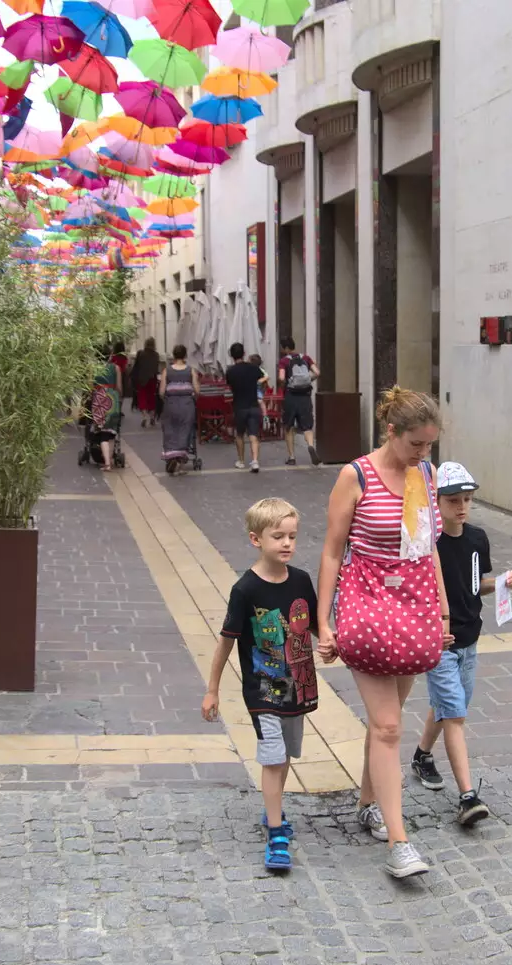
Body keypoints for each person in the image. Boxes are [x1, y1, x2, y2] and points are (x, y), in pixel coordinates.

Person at [315, 387, 451, 880]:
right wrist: (323, 620)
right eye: (416, 444)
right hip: (368, 605)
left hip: (414, 606)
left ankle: (369, 803)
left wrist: (443, 612)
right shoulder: (355, 475)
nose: (423, 454)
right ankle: (400, 843)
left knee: (383, 723)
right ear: (391, 431)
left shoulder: (427, 475)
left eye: (429, 446)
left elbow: (428, 548)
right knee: (390, 725)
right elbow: (332, 550)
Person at [203, 498, 320, 872]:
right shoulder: (245, 590)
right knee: (273, 758)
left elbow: (315, 623)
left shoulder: (301, 580)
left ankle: (274, 809)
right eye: (278, 536)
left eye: (292, 536)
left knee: (284, 756)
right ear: (256, 539)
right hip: (264, 691)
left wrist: (332, 641)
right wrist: (212, 689)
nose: (287, 543)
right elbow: (226, 640)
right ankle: (276, 832)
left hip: (298, 685)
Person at [409, 462, 512, 826]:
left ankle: (422, 755)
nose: (462, 506)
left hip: (471, 639)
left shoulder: (477, 539)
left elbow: (477, 584)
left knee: (447, 704)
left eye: (467, 499)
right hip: (440, 642)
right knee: (455, 713)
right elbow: (418, 593)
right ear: (436, 501)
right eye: (454, 499)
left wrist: (501, 582)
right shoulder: (429, 544)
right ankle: (468, 796)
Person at [277, 338, 321, 466]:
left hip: (291, 397)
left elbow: (281, 377)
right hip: (305, 397)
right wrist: (308, 381)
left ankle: (291, 457)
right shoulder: (306, 358)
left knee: (289, 427)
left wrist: (285, 384)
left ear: (285, 348)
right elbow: (317, 372)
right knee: (307, 426)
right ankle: (311, 446)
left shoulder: (284, 361)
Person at [225, 342, 267, 473]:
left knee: (239, 434)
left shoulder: (230, 371)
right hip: (254, 405)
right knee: (254, 434)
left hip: (239, 406)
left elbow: (230, 386)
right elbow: (263, 379)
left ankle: (241, 461)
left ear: (231, 356)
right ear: (244, 353)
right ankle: (255, 461)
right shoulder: (254, 368)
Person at [159, 343, 199, 474]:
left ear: (174, 355)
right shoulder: (191, 370)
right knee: (185, 431)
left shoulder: (167, 371)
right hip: (187, 405)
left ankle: (171, 456)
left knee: (170, 430)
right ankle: (181, 465)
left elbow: (161, 391)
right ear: (185, 355)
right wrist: (193, 398)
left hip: (171, 405)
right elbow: (197, 390)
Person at [89, 355, 124, 472]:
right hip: (112, 398)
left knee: (102, 433)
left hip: (99, 399)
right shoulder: (116, 368)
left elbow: (90, 386)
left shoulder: (93, 368)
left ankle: (107, 464)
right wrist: (119, 397)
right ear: (110, 355)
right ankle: (110, 460)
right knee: (112, 432)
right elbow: (119, 387)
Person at [131, 338, 161, 428]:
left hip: (142, 379)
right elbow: (156, 368)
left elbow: (136, 366)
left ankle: (144, 417)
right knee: (151, 397)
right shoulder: (156, 355)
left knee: (142, 397)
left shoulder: (141, 353)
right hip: (152, 379)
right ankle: (152, 417)